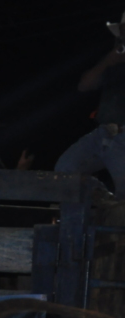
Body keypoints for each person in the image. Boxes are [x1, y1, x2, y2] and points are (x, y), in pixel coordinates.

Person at [54, 11, 125, 196]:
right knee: (65, 171)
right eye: (123, 30)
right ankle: (103, 198)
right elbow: (84, 86)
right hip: (103, 133)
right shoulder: (114, 60)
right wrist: (108, 61)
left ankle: (111, 202)